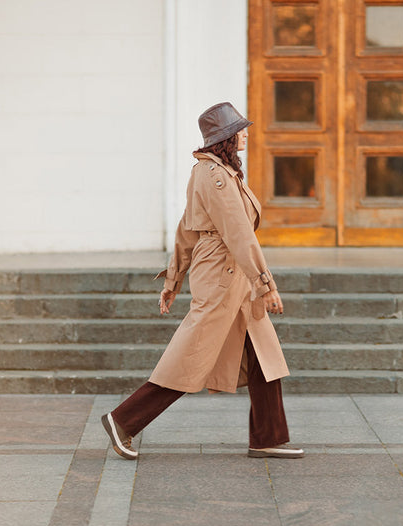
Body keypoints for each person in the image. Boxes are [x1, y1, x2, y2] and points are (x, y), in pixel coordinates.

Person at [102, 102, 303, 461]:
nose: (246, 133)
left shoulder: (212, 172)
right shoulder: (216, 176)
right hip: (224, 278)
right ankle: (123, 421)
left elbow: (185, 227)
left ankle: (267, 436)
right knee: (188, 358)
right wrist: (265, 284)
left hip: (230, 275)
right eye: (240, 128)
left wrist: (174, 279)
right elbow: (239, 233)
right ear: (226, 136)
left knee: (264, 356)